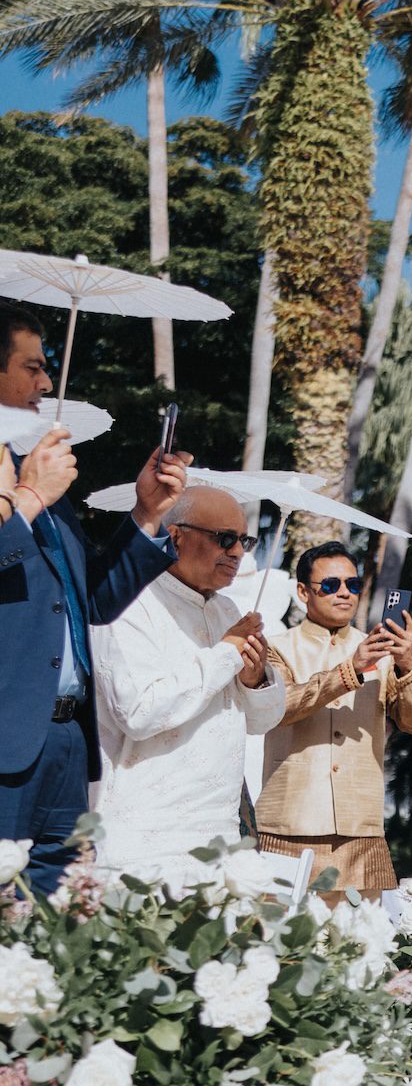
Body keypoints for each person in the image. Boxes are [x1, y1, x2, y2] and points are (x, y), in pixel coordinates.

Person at [0, 304, 187, 893]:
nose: (46, 383)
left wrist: (147, 511)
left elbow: (93, 603)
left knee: (58, 928)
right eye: (32, 366)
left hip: (65, 742)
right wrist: (28, 496)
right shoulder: (38, 484)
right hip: (4, 741)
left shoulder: (44, 485)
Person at [89, 485, 286, 881]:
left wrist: (255, 678)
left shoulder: (227, 609)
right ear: (175, 535)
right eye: (224, 539)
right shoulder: (127, 603)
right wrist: (228, 654)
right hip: (148, 834)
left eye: (245, 541)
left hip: (222, 833)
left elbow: (262, 721)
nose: (237, 553)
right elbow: (139, 712)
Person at [254, 541, 412, 896]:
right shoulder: (276, 647)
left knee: (364, 943)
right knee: (281, 941)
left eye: (353, 585)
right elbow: (278, 707)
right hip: (289, 825)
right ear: (303, 591)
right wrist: (350, 670)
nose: (344, 594)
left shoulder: (382, 651)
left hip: (361, 829)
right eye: (331, 585)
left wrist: (408, 663)